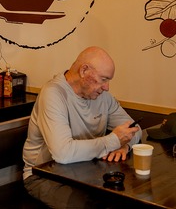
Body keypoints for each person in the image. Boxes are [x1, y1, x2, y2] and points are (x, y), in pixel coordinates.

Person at [22, 46, 141, 208]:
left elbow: (135, 128)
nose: (107, 87)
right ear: (84, 71)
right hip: (44, 177)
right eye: (103, 79)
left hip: (86, 174)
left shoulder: (103, 97)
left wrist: (125, 145)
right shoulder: (53, 94)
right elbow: (62, 153)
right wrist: (113, 141)